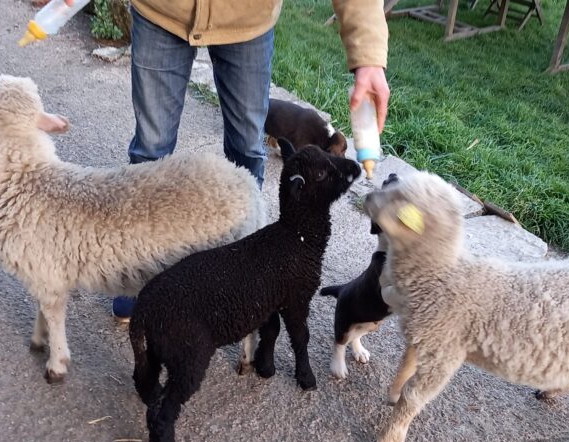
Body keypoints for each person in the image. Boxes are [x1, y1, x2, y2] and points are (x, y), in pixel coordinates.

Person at [66, 0, 390, 321]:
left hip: (246, 18)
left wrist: (369, 55)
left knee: (247, 151)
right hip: (161, 11)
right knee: (150, 151)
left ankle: (244, 274)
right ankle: (137, 271)